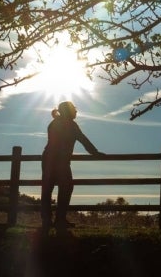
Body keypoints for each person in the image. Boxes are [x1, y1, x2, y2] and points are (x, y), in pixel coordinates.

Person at [41, 100, 104, 233]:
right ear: (68, 111)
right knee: (66, 187)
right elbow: (83, 140)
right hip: (60, 161)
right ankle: (59, 220)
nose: (76, 111)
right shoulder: (70, 125)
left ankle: (48, 220)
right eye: (74, 109)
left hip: (48, 159)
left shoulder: (55, 123)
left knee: (48, 189)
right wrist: (96, 153)